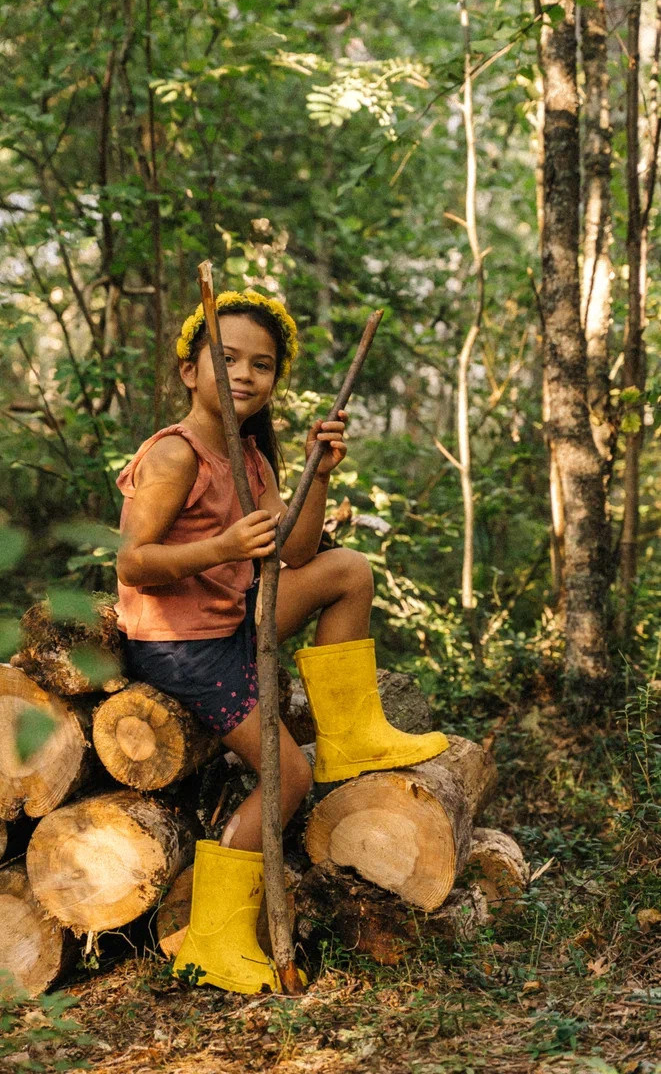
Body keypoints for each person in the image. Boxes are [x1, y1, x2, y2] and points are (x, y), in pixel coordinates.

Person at [115, 290, 447, 993]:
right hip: (181, 645)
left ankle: (350, 735)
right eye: (226, 358)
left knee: (347, 570)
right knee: (288, 776)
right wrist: (221, 547)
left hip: (234, 618)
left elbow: (295, 550)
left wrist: (316, 476)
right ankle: (212, 939)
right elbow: (133, 564)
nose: (243, 374)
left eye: (261, 365)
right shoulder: (175, 455)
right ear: (189, 370)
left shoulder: (249, 457)